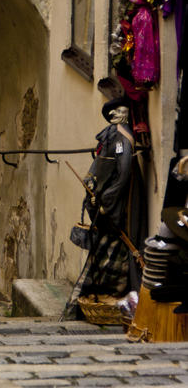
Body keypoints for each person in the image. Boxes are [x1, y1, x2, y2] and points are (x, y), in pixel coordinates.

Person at [64, 97, 146, 318]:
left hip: (120, 201)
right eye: (118, 111)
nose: (121, 114)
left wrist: (107, 200)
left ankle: (119, 294)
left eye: (122, 111)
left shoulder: (121, 138)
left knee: (120, 242)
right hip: (112, 198)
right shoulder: (116, 135)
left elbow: (124, 168)